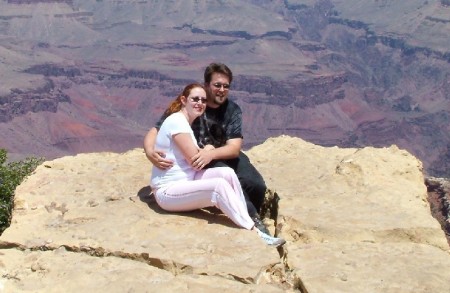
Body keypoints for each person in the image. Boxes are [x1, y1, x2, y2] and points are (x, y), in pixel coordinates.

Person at [149, 83, 285, 247]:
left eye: (203, 100)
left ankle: (248, 216)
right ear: (184, 100)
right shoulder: (177, 122)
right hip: (168, 192)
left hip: (186, 181)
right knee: (218, 186)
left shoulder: (184, 122)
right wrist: (209, 148)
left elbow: (195, 155)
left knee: (226, 173)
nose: (200, 103)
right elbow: (196, 162)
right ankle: (254, 231)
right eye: (195, 99)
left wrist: (208, 150)